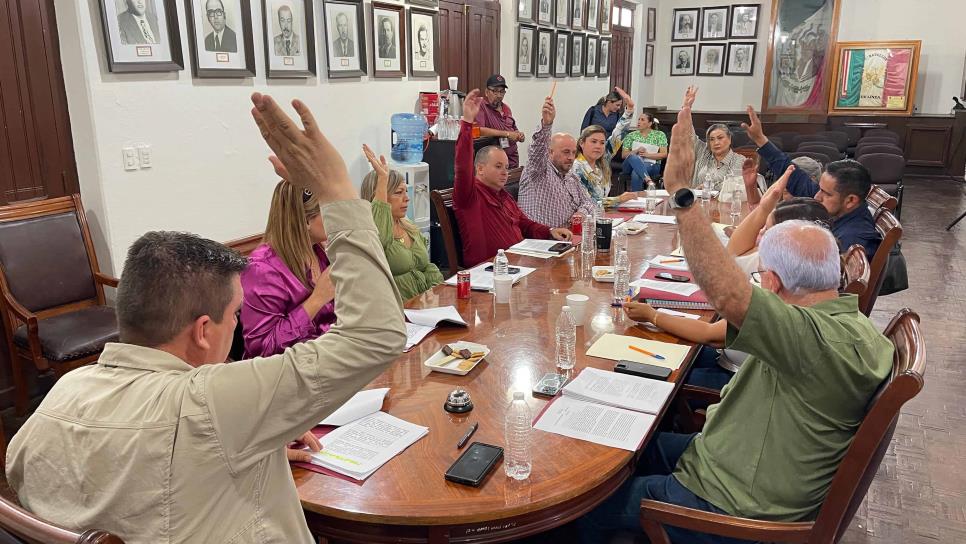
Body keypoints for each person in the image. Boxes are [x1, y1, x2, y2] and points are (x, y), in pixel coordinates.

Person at [5, 93, 407, 543]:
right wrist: (338, 192)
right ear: (202, 330)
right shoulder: (208, 401)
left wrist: (256, 440)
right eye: (235, 315)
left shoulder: (63, 391)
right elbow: (378, 334)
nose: (238, 326)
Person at [578, 88, 893, 544]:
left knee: (588, 509)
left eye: (763, 274)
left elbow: (726, 293)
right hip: (740, 459)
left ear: (775, 284)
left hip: (733, 505)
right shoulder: (846, 324)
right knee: (634, 444)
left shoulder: (808, 338)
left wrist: (680, 193)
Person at [625, 170, 834, 391]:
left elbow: (711, 335)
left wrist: (653, 316)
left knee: (651, 374)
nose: (760, 233)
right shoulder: (801, 271)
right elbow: (734, 252)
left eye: (767, 229)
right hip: (731, 358)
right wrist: (764, 207)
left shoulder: (779, 284)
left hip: (740, 377)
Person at [743, 105, 882, 257]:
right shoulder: (836, 205)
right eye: (819, 189)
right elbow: (794, 176)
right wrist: (760, 139)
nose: (816, 197)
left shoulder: (853, 240)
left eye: (825, 193)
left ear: (850, 200)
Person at [454, 89, 571, 266]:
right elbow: (462, 166)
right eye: (498, 166)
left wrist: (550, 231)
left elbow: (524, 223)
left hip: (519, 262)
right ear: (480, 168)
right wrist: (467, 122)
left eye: (507, 168)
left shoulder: (503, 195)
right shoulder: (470, 195)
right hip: (489, 271)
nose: (505, 173)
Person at [240, 180, 336, 358]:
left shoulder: (320, 251)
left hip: (327, 358)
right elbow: (262, 348)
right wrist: (316, 300)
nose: (336, 219)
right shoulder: (262, 269)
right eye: (329, 212)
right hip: (285, 374)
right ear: (306, 221)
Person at [360, 144, 443, 300]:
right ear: (379, 197)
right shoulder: (371, 233)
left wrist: (440, 291)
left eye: (406, 191)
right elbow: (381, 237)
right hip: (397, 313)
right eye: (399, 192)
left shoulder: (408, 225)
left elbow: (427, 267)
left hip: (425, 307)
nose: (407, 198)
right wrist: (383, 179)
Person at [519, 97, 595, 228]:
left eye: (573, 152)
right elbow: (537, 151)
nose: (571, 157)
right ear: (550, 152)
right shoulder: (538, 171)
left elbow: (588, 202)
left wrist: (580, 214)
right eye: (566, 152)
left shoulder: (571, 176)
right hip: (541, 241)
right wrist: (546, 125)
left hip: (568, 238)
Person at [573, 87, 638, 202]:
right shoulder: (577, 168)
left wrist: (630, 109)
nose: (598, 146)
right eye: (593, 142)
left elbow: (618, 133)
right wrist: (618, 200)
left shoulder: (603, 158)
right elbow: (589, 205)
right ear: (582, 143)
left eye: (602, 143)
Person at [682, 88, 745, 191]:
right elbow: (688, 133)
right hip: (697, 202)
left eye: (720, 138)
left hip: (724, 203)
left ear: (729, 139)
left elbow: (733, 185)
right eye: (711, 139)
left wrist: (709, 187)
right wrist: (686, 107)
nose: (716, 142)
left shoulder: (739, 160)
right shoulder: (703, 152)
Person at [475, 74, 524, 169]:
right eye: (495, 91)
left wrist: (519, 135)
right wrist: (507, 134)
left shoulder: (506, 108)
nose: (499, 95)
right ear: (486, 92)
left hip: (512, 161)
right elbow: (479, 130)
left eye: (502, 92)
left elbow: (513, 129)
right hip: (494, 163)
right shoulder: (481, 105)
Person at [620, 112, 667, 191]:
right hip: (629, 166)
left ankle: (638, 199)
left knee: (636, 173)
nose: (639, 122)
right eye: (638, 119)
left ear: (649, 123)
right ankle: (648, 181)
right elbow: (624, 155)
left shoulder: (659, 135)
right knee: (632, 156)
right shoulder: (630, 135)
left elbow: (664, 154)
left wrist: (646, 155)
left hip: (652, 164)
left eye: (642, 120)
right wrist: (636, 150)